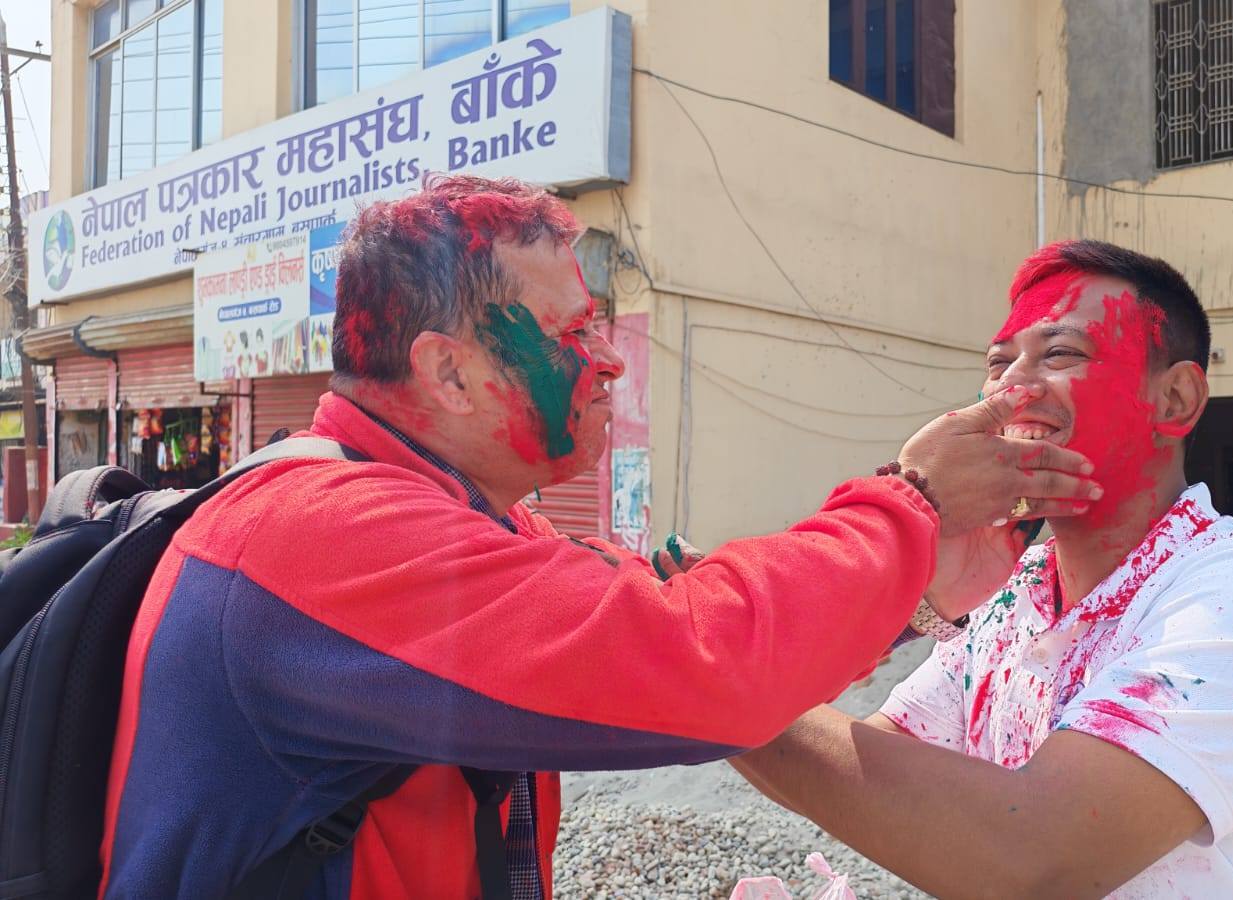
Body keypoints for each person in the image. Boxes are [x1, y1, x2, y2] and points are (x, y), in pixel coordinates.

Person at [96, 176, 1102, 899]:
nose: (611, 366)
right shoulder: (323, 537)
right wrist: (911, 504)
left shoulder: (470, 517)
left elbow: (675, 618)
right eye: (575, 336)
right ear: (448, 373)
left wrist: (917, 592)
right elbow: (695, 663)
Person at [731, 240, 1233, 899]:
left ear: (1175, 399)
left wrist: (705, 678)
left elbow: (1030, 859)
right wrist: (904, 582)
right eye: (999, 364)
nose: (1012, 389)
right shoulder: (1017, 594)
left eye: (1059, 354)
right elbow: (874, 769)